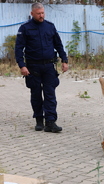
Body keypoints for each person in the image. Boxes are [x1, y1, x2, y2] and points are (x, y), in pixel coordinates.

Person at [15, 3, 68, 133]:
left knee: (50, 94)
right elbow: (18, 48)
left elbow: (58, 44)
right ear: (32, 13)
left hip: (49, 66)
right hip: (33, 67)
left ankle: (50, 122)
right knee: (36, 94)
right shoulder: (25, 28)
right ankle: (39, 119)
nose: (41, 15)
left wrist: (64, 60)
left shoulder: (50, 26)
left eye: (43, 13)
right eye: (38, 13)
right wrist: (22, 65)